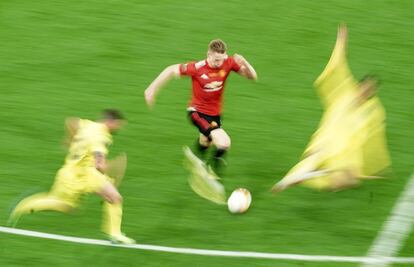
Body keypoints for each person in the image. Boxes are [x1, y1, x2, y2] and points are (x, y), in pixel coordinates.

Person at [272, 25, 390, 192]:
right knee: (318, 166)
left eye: (370, 91)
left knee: (347, 182)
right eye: (365, 87)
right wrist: (341, 41)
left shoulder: (370, 110)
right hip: (326, 143)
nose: (366, 92)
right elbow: (339, 64)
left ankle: (310, 175)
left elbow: (372, 136)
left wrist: (371, 170)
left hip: (346, 153)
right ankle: (297, 177)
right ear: (358, 85)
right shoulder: (345, 91)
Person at [8, 109, 135, 244]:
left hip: (85, 172)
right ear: (110, 122)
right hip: (74, 176)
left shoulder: (88, 124)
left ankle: (115, 234)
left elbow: (71, 122)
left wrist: (69, 140)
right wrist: (112, 166)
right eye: (118, 124)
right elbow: (100, 165)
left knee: (114, 197)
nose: (119, 128)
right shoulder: (101, 136)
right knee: (65, 206)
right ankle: (23, 206)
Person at [144, 39, 257, 172]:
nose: (218, 63)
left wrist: (245, 63)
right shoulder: (197, 68)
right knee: (224, 143)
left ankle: (196, 158)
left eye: (221, 59)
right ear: (208, 54)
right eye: (216, 60)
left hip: (215, 114)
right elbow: (170, 70)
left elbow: (252, 77)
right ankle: (212, 172)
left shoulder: (228, 63)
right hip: (196, 112)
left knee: (205, 142)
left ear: (225, 55)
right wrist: (152, 89)